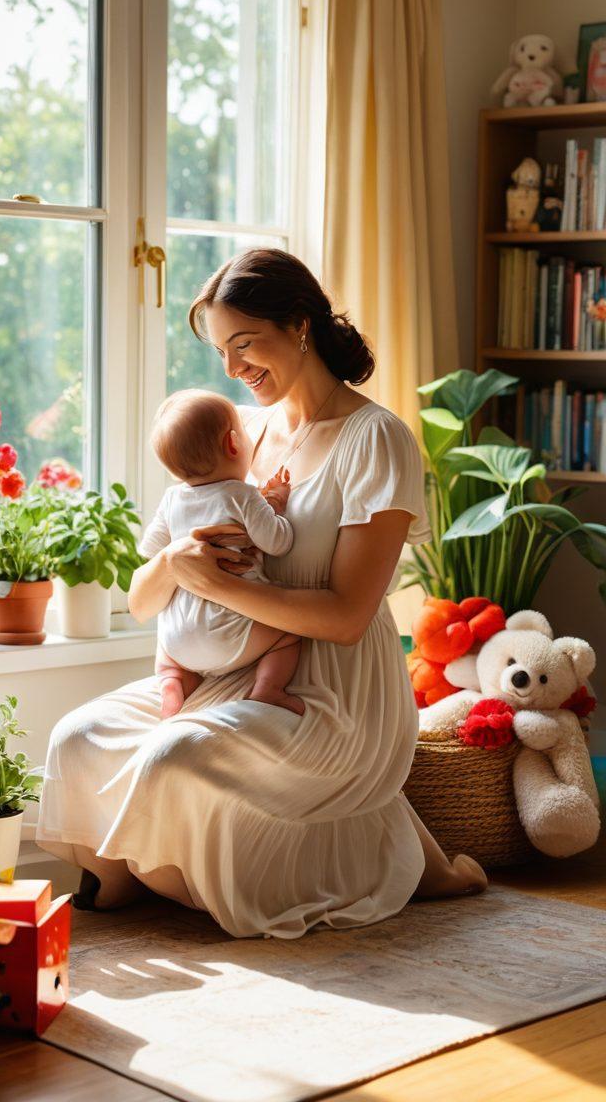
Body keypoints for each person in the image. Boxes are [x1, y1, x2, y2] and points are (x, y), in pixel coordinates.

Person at [35, 248, 488, 939]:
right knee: (78, 735)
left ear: (300, 325)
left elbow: (344, 617)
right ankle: (126, 875)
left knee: (172, 754)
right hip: (233, 670)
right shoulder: (249, 435)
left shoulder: (377, 440)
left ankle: (225, 878)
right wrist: (178, 564)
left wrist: (214, 583)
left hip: (331, 694)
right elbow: (145, 589)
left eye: (244, 345)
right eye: (222, 351)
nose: (232, 369)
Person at [143, 387, 302, 719]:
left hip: (178, 638)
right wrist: (276, 507)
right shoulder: (242, 495)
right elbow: (278, 542)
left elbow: (152, 550)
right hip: (230, 633)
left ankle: (172, 680)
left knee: (167, 645)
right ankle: (269, 690)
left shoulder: (172, 499)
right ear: (233, 443)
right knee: (290, 633)